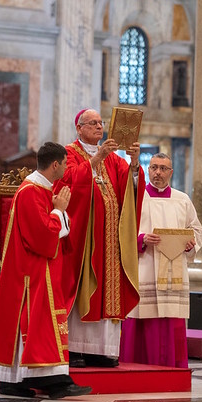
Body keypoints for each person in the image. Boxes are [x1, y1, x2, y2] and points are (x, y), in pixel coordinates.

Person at [0, 142, 91, 399]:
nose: (66, 168)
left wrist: (58, 211)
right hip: (32, 272)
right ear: (55, 164)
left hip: (41, 269)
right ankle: (48, 380)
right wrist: (59, 211)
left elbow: (53, 229)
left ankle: (27, 379)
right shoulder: (30, 192)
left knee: (39, 324)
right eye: (65, 164)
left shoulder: (43, 189)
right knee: (38, 323)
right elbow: (42, 236)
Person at [55, 108, 145, 368]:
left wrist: (135, 164)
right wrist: (97, 159)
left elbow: (129, 187)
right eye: (92, 123)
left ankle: (101, 350)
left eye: (100, 122)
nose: (98, 126)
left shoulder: (114, 159)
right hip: (83, 238)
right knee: (80, 284)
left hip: (110, 240)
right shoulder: (69, 153)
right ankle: (75, 348)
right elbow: (66, 182)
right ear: (79, 128)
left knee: (109, 289)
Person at [119, 153, 202, 368]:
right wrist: (142, 239)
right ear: (148, 170)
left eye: (163, 168)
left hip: (173, 272)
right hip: (145, 266)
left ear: (171, 173)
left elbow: (196, 230)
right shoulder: (136, 198)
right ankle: (135, 367)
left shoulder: (182, 199)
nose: (158, 172)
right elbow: (123, 229)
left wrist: (190, 243)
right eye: (154, 167)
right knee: (142, 318)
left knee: (171, 319)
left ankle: (171, 369)